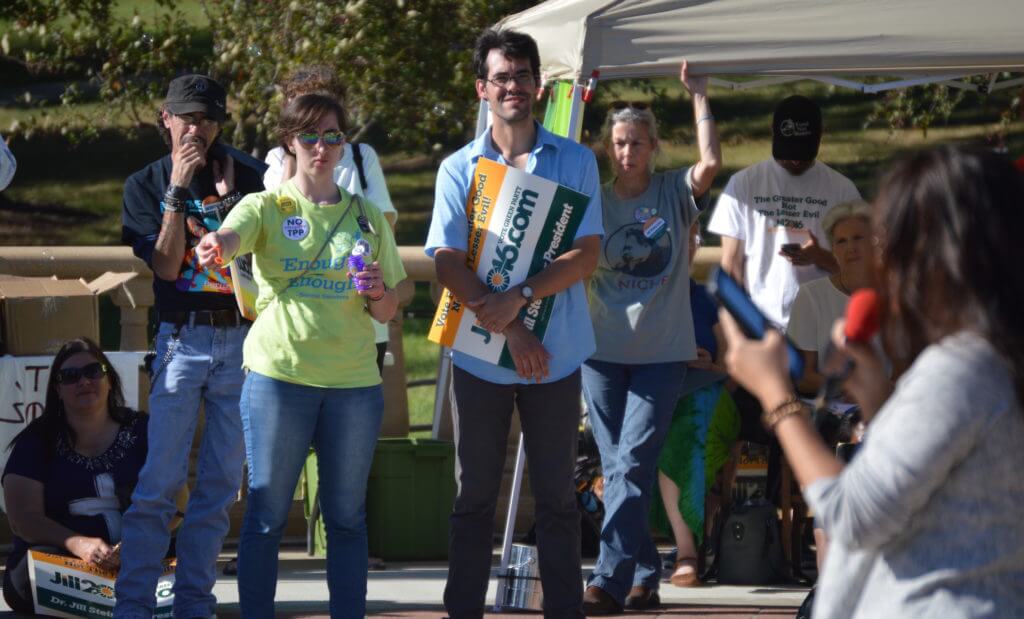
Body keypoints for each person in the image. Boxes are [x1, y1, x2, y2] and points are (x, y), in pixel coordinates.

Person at [720, 144, 1024, 618]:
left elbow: (851, 516)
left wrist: (775, 393)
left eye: (891, 241)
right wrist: (880, 400)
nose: (884, 261)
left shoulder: (962, 369)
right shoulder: (996, 355)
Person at [195, 92, 405, 618]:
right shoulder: (267, 205)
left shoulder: (367, 217)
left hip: (355, 385)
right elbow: (234, 234)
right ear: (290, 140)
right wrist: (217, 244)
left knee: (348, 519)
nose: (322, 147)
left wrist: (379, 290)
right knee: (265, 516)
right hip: (279, 379)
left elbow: (390, 309)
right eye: (310, 136)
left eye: (333, 136)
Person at [425, 28, 603, 619]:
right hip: (482, 356)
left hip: (558, 356)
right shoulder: (459, 168)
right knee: (473, 498)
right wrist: (514, 327)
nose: (513, 87)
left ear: (538, 85)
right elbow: (447, 260)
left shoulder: (576, 160)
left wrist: (521, 296)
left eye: (522, 75)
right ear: (483, 88)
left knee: (557, 501)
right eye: (501, 77)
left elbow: (587, 255)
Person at [116, 74, 265, 619]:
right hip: (181, 338)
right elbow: (163, 263)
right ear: (166, 118)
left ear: (220, 120)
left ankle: (193, 605)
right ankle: (131, 606)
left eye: (206, 117)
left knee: (221, 488)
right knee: (160, 482)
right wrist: (177, 190)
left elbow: (256, 264)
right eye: (186, 117)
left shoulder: (250, 176)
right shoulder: (144, 184)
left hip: (242, 338)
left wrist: (229, 209)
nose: (196, 128)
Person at [579, 62, 721, 614]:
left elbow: (709, 162)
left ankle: (608, 582)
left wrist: (700, 97)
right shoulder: (592, 195)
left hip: (662, 356)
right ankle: (645, 572)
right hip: (600, 356)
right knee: (618, 469)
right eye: (618, 142)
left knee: (633, 464)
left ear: (653, 146)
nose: (627, 151)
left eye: (637, 142)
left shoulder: (671, 193)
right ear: (607, 147)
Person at [262, 66, 398, 373]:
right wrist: (294, 157)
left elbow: (384, 226)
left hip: (359, 320)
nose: (312, 117)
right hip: (299, 323)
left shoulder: (361, 157)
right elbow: (272, 223)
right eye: (300, 108)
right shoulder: (276, 160)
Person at [3, 339, 148, 614]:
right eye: (70, 376)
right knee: (25, 577)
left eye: (93, 371)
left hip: (137, 556)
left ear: (109, 379)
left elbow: (175, 500)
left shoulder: (143, 429)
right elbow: (23, 520)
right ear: (57, 389)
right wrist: (78, 544)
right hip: (68, 564)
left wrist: (136, 543)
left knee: (189, 555)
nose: (83, 381)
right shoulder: (37, 440)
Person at [708, 95, 862, 328]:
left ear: (822, 133)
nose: (795, 161)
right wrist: (740, 327)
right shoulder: (743, 184)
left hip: (823, 324)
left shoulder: (843, 190)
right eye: (788, 152)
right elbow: (731, 266)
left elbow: (857, 272)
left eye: (803, 153)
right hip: (760, 324)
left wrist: (820, 256)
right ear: (772, 131)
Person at [651, 221, 740, 589]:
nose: (683, 249)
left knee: (686, 424)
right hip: (662, 395)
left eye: (690, 241)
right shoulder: (642, 300)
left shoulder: (708, 298)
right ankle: (692, 535)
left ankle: (687, 551)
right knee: (666, 425)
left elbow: (738, 364)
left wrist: (711, 365)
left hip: (712, 394)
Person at [789, 200, 873, 394]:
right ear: (833, 250)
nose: (851, 247)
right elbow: (803, 377)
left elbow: (904, 368)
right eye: (841, 241)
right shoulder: (811, 296)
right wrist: (856, 391)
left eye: (858, 238)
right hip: (833, 412)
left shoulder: (893, 295)